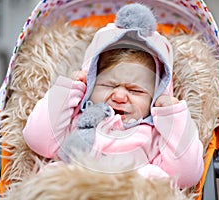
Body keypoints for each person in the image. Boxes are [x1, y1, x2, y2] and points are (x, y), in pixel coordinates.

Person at [23, 3, 204, 188]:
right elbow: (37, 140)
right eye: (108, 85)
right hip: (74, 190)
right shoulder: (76, 119)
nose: (119, 96)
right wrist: (71, 88)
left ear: (156, 95)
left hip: (129, 191)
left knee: (154, 179)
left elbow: (186, 176)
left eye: (135, 91)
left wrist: (172, 115)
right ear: (91, 84)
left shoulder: (154, 136)